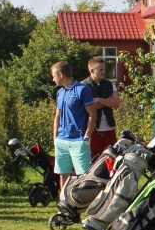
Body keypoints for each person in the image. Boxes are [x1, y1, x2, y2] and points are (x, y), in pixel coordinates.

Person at [48, 62, 96, 192]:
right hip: (62, 140)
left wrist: (87, 136)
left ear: (60, 74)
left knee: (83, 174)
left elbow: (92, 114)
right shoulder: (60, 93)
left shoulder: (82, 89)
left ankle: (83, 202)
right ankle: (63, 201)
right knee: (63, 173)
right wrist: (55, 139)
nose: (53, 79)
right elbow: (57, 116)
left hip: (78, 140)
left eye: (54, 76)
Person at [83, 57, 120, 158]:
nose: (104, 72)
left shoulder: (109, 84)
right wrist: (108, 100)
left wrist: (99, 99)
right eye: (100, 70)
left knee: (112, 158)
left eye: (104, 69)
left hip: (109, 127)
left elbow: (116, 103)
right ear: (91, 71)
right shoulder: (84, 86)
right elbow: (88, 108)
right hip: (93, 129)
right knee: (95, 158)